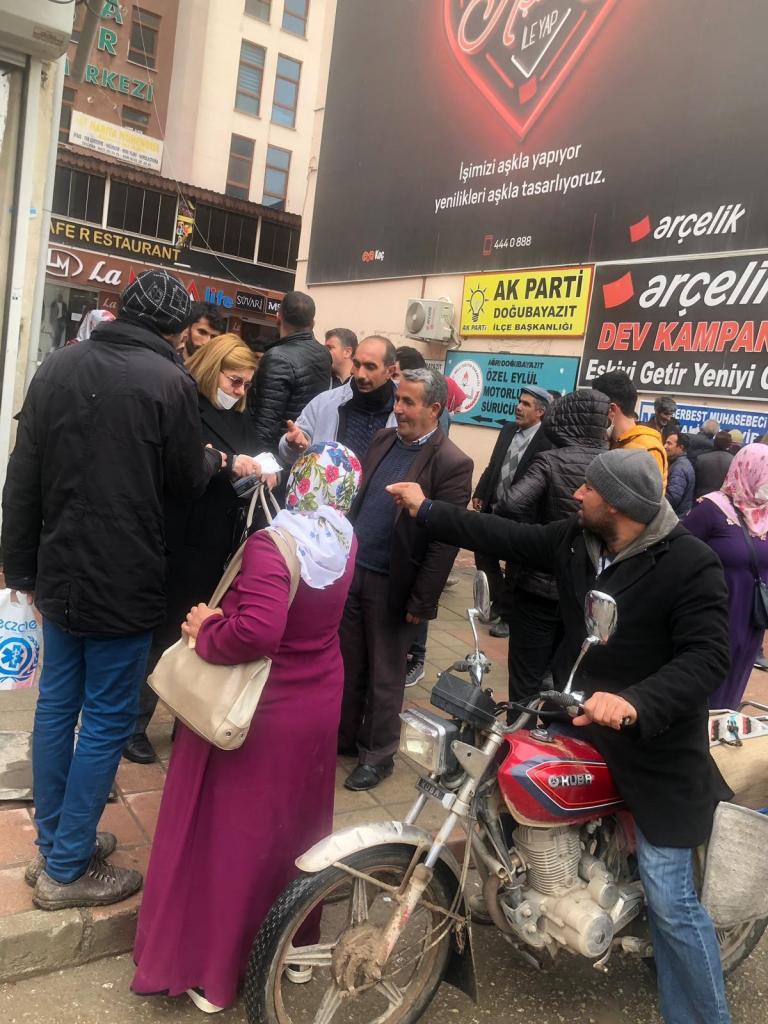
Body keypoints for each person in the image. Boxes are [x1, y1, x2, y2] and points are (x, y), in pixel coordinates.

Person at [388, 447, 732, 1024]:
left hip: (656, 744)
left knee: (669, 896)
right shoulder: (578, 540)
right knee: (505, 783)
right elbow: (502, 534)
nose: (577, 493)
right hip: (574, 714)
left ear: (617, 503)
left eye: (589, 488)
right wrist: (427, 510)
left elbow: (708, 656)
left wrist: (636, 702)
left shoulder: (690, 562)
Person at [1, 270, 221, 910]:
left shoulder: (58, 367)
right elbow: (187, 480)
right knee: (103, 719)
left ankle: (57, 844)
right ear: (177, 331)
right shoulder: (170, 383)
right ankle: (68, 868)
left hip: (59, 570)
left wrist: (19, 569)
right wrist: (212, 458)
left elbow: (22, 474)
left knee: (55, 707)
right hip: (125, 577)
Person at [132, 443, 361, 1013]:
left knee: (234, 837)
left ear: (299, 480)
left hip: (260, 710)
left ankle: (215, 970)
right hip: (315, 700)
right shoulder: (342, 538)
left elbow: (257, 632)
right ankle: (294, 948)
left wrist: (207, 628)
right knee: (296, 832)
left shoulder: (273, 544)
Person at [124, 334, 265, 765]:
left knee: (200, 633)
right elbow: (179, 468)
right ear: (212, 368)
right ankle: (134, 725)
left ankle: (187, 720)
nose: (239, 390)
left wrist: (264, 466)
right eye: (234, 380)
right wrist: (226, 463)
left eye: (246, 384)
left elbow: (248, 448)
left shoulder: (239, 414)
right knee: (166, 632)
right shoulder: (185, 407)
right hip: (182, 537)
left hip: (220, 540)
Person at [338, 368, 473, 790]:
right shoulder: (383, 439)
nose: (398, 408)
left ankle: (378, 756)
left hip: (394, 583)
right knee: (348, 664)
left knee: (385, 675)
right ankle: (344, 738)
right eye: (398, 400)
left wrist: (422, 600)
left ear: (434, 409)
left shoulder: (452, 462)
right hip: (356, 571)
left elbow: (445, 542)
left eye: (408, 402)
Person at [494, 388, 609, 705]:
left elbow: (510, 504)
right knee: (567, 680)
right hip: (585, 595)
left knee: (525, 680)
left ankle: (522, 731)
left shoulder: (550, 460)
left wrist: (536, 530)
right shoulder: (613, 464)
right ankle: (553, 730)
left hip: (537, 587)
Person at [684, 445, 768, 710]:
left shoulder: (764, 515)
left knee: (732, 685)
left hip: (751, 618)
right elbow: (678, 554)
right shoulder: (711, 509)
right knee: (702, 684)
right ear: (748, 471)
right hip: (713, 614)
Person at [471, 385, 553, 637]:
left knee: (516, 567)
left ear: (540, 412)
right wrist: (480, 492)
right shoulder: (507, 430)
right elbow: (493, 464)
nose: (519, 407)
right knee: (483, 553)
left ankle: (507, 616)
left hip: (523, 514)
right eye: (520, 402)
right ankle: (499, 600)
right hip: (494, 506)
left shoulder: (547, 440)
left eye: (526, 404)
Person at [278, 335, 397, 466]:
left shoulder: (404, 413)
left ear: (390, 371)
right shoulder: (324, 403)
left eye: (370, 366)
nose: (360, 375)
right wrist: (294, 445)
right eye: (357, 364)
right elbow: (290, 453)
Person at [248, 290, 332, 455]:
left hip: (280, 452)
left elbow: (265, 424)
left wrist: (259, 461)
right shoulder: (324, 353)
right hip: (306, 448)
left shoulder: (276, 358)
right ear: (313, 323)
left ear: (278, 318)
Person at [591, 370, 668, 485]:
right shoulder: (610, 442)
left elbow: (646, 496)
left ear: (611, 409)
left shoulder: (648, 449)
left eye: (596, 407)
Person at [664, 431, 695, 518]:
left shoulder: (679, 468)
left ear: (680, 447)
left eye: (669, 444)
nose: (665, 446)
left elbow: (673, 498)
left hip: (674, 518)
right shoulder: (679, 463)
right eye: (665, 442)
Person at [695, 431, 734, 498]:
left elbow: (695, 481)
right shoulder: (733, 460)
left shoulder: (701, 458)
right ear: (729, 444)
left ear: (714, 442)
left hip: (702, 497)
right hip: (723, 499)